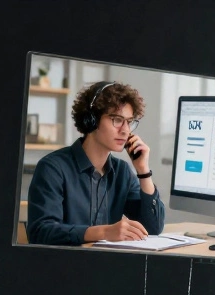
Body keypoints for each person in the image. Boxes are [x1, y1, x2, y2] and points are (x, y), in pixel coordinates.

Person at [26, 81, 165, 246]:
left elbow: (153, 228)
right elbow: (41, 232)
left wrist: (143, 171)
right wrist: (104, 232)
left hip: (105, 260)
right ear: (91, 120)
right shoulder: (52, 168)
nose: (125, 130)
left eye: (129, 122)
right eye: (117, 120)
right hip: (63, 262)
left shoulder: (122, 172)